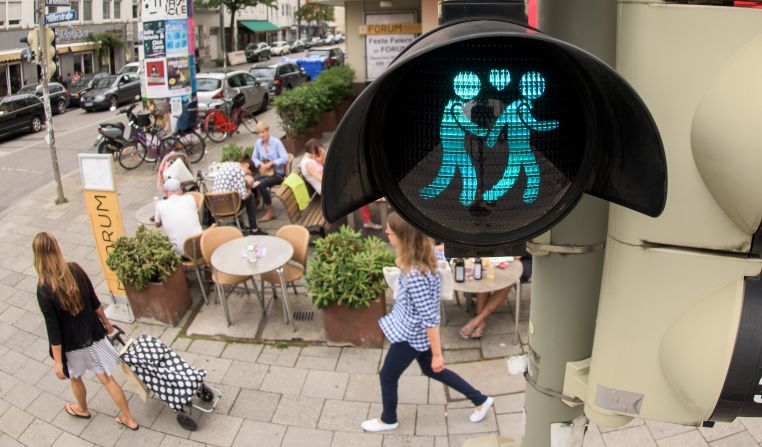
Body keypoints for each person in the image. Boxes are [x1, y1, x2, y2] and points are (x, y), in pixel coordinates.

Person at [361, 213, 493, 432]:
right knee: (433, 371)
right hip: (414, 332)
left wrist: (438, 353)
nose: (386, 233)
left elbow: (430, 317)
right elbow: (436, 251)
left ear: (403, 236)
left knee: (387, 375)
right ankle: (480, 400)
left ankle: (388, 419)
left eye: (389, 231)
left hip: (412, 335)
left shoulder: (416, 274)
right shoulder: (422, 256)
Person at [33, 233, 139, 431]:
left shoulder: (43, 289)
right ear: (57, 248)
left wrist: (58, 362)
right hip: (93, 334)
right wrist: (106, 323)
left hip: (72, 345)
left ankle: (82, 409)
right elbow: (94, 301)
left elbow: (53, 329)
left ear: (37, 256)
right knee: (107, 378)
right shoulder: (75, 269)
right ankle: (129, 419)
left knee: (75, 377)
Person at [300, 139, 382, 229]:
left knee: (359, 184)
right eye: (319, 151)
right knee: (359, 190)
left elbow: (324, 169)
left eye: (320, 150)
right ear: (312, 151)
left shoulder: (310, 158)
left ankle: (376, 202)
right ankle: (372, 211)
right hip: (327, 193)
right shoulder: (308, 164)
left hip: (330, 187)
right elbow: (321, 179)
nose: (320, 152)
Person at [212, 161, 266, 235]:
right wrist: (249, 190)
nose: (247, 175)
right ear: (247, 165)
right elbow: (243, 196)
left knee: (236, 197)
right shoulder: (240, 171)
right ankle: (254, 229)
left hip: (216, 207)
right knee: (250, 197)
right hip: (229, 208)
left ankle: (240, 224)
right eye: (249, 173)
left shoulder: (225, 165)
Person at [154, 178, 203, 256]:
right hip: (201, 245)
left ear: (166, 192)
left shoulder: (160, 205)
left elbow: (157, 225)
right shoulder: (190, 198)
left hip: (180, 252)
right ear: (180, 189)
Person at [252, 122, 288, 222]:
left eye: (263, 132)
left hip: (277, 174)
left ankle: (270, 211)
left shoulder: (276, 142)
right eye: (259, 133)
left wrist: (272, 163)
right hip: (264, 172)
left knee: (262, 184)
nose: (261, 135)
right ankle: (255, 201)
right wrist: (260, 163)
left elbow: (285, 158)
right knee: (252, 181)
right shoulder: (258, 143)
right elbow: (254, 157)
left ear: (268, 131)